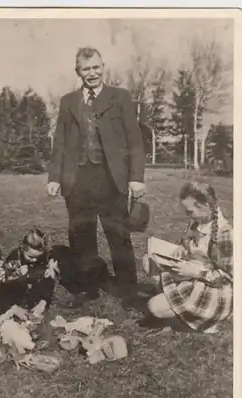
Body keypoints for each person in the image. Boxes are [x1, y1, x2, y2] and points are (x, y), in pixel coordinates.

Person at [46, 46, 146, 305]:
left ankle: (128, 289)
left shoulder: (120, 97)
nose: (92, 73)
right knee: (82, 236)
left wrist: (136, 177)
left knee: (118, 236)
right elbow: (60, 142)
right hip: (77, 180)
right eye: (85, 69)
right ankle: (88, 288)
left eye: (96, 67)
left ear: (103, 67)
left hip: (111, 179)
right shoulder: (69, 101)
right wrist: (54, 178)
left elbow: (134, 140)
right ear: (77, 71)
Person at [139, 181, 233, 333]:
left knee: (154, 307)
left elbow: (228, 278)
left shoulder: (225, 234)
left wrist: (195, 273)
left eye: (190, 212)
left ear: (206, 207)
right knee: (148, 260)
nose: (187, 215)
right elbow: (189, 238)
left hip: (213, 287)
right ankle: (173, 305)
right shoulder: (199, 220)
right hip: (191, 273)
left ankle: (188, 316)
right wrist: (183, 246)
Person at [0, 228, 60, 318]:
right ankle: (14, 307)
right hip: (16, 292)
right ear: (22, 248)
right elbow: (4, 287)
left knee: (48, 275)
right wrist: (14, 307)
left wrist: (43, 302)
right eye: (30, 257)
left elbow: (48, 281)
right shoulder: (15, 258)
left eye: (38, 257)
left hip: (33, 291)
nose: (34, 260)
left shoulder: (44, 258)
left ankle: (40, 302)